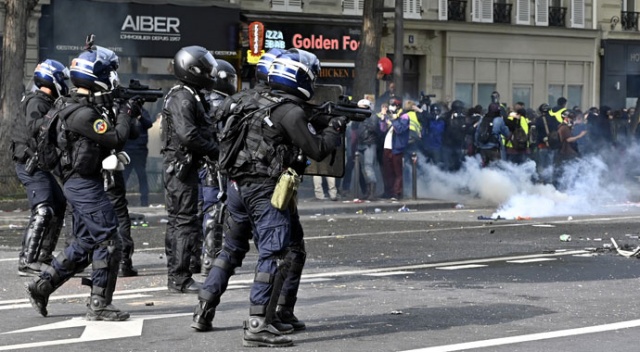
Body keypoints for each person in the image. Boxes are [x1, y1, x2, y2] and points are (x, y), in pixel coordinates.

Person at [191, 49, 344, 347]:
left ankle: (203, 311)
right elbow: (316, 150)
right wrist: (334, 128)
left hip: (234, 186)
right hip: (266, 191)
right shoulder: (290, 111)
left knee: (230, 251)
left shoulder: (240, 99)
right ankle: (260, 322)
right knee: (276, 253)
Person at [26, 46, 138, 321]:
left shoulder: (70, 104)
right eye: (110, 73)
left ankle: (42, 286)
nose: (114, 77)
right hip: (82, 183)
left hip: (79, 182)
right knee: (109, 239)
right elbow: (115, 138)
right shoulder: (83, 114)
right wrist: (126, 112)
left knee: (87, 241)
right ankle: (99, 303)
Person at [161, 45, 219, 293]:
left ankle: (179, 272)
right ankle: (179, 277)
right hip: (181, 170)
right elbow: (188, 135)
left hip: (182, 168)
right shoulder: (183, 97)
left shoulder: (188, 94)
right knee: (183, 221)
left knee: (180, 221)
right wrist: (214, 150)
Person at [12, 59, 69, 277]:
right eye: (61, 79)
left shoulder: (47, 101)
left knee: (59, 203)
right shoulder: (37, 101)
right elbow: (35, 128)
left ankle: (44, 255)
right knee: (43, 209)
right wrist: (55, 115)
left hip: (39, 165)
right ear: (51, 79)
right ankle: (27, 260)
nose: (63, 83)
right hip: (30, 164)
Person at [199, 58, 237, 276]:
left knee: (197, 211)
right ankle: (210, 258)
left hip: (198, 163)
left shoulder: (200, 100)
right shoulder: (224, 105)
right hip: (215, 165)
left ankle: (196, 258)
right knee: (215, 209)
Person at [123, 107, 153, 207]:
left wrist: (139, 116)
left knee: (141, 176)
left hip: (140, 150)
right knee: (124, 176)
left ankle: (144, 201)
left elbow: (149, 124)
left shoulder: (143, 112)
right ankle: (121, 199)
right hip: (127, 149)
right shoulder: (124, 110)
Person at [380, 97, 408, 200]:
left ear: (398, 106)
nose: (391, 107)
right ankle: (389, 192)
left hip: (397, 147)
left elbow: (400, 129)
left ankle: (397, 193)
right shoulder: (390, 116)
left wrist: (393, 119)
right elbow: (382, 129)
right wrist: (383, 116)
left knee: (397, 172)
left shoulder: (404, 116)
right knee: (388, 172)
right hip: (387, 147)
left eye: (393, 105)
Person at [355, 98, 379, 200]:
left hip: (369, 143)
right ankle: (368, 191)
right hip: (361, 144)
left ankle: (372, 193)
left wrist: (365, 120)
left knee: (368, 167)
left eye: (363, 108)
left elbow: (374, 128)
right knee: (364, 170)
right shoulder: (360, 117)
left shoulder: (372, 116)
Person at [475, 102, 511, 167]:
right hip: (493, 149)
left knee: (482, 167)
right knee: (496, 169)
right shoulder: (499, 120)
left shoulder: (482, 119)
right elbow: (506, 133)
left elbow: (477, 133)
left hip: (482, 149)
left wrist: (477, 144)